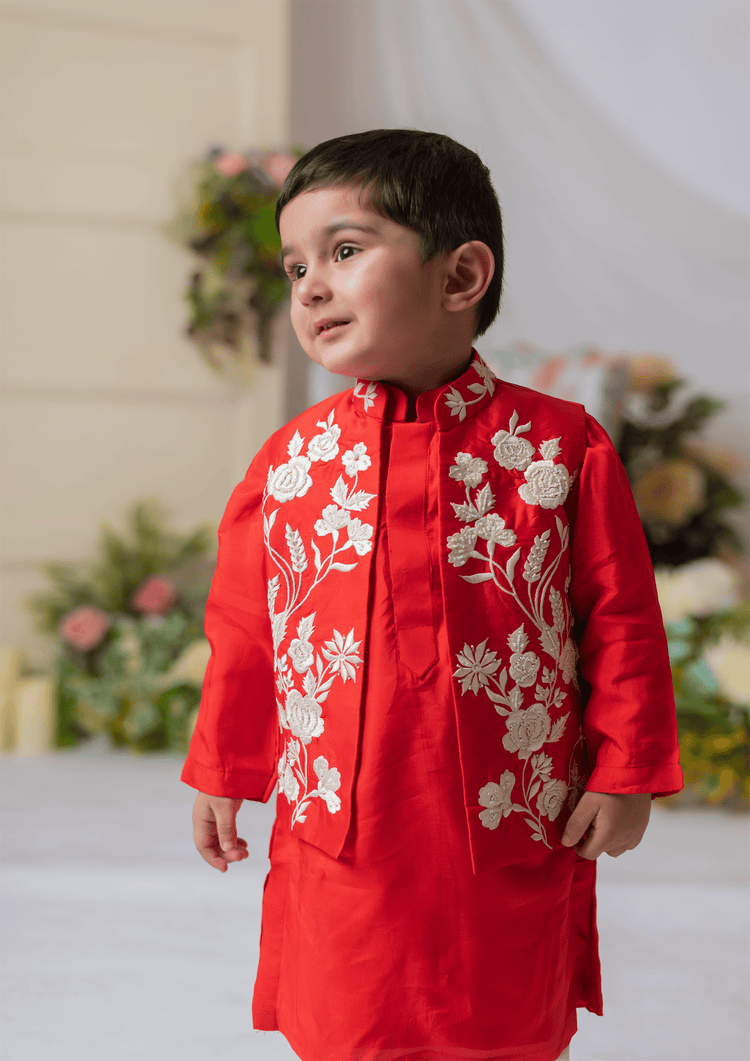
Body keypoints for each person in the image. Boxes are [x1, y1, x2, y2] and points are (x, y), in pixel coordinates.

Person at [181, 129, 683, 1061]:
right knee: (346, 1019)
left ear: (461, 277)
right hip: (342, 831)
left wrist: (627, 768)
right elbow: (246, 634)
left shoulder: (560, 449)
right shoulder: (290, 466)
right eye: (296, 266)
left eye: (344, 250)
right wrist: (221, 768)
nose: (310, 286)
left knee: (503, 1016)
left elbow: (619, 620)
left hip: (506, 821)